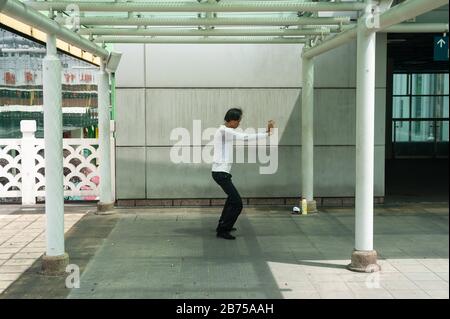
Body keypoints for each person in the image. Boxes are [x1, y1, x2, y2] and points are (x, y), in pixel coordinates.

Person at [212, 108, 274, 240]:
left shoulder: (225, 131)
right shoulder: (224, 131)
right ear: (232, 120)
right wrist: (266, 134)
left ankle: (223, 225)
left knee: (231, 200)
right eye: (238, 121)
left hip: (222, 173)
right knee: (237, 203)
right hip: (220, 173)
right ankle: (223, 230)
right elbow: (245, 137)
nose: (239, 124)